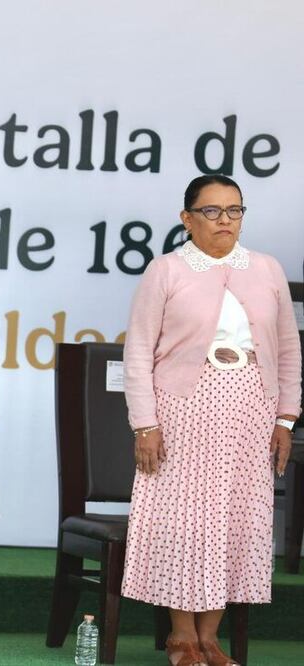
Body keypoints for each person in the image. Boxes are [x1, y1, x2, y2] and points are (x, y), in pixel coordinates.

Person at [121, 174, 301, 666]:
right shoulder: (167, 270)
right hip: (183, 410)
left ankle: (210, 638)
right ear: (187, 218)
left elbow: (288, 348)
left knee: (235, 520)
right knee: (187, 521)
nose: (225, 221)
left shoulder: (266, 269)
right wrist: (145, 424)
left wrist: (285, 417)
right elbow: (138, 352)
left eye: (235, 211)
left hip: (251, 411)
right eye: (212, 211)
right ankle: (181, 636)